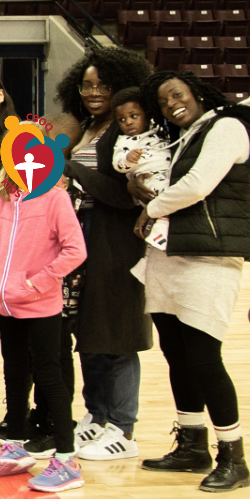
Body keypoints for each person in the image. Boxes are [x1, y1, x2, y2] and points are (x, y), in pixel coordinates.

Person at [135, 72, 250, 492]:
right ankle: (191, 444)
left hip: (210, 258)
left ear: (198, 93)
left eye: (178, 94)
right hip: (170, 255)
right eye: (163, 100)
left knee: (205, 358)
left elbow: (199, 184)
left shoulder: (228, 126)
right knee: (178, 356)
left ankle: (234, 454)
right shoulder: (187, 135)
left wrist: (151, 205)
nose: (172, 103)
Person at [49, 43, 154, 463]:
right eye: (87, 84)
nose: (93, 92)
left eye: (103, 85)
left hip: (116, 240)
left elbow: (126, 195)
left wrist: (71, 169)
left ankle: (123, 428)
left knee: (118, 337)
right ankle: (96, 414)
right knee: (89, 335)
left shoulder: (130, 131)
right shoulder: (87, 129)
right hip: (82, 240)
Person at [0, 153, 88, 490]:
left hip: (42, 305)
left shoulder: (56, 197)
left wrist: (37, 283)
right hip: (6, 304)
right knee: (13, 373)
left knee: (48, 374)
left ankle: (67, 458)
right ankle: (15, 444)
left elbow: (75, 250)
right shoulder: (4, 199)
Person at [111, 89, 172, 256]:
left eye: (134, 116)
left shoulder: (158, 131)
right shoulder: (124, 142)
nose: (128, 122)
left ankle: (163, 226)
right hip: (148, 179)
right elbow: (118, 164)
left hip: (167, 172)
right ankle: (159, 233)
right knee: (163, 196)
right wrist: (128, 159)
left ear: (146, 114)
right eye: (122, 120)